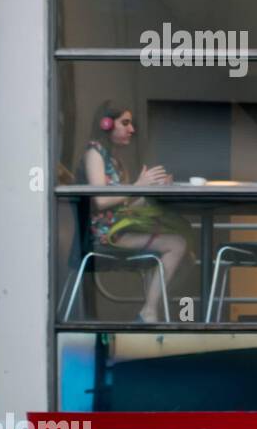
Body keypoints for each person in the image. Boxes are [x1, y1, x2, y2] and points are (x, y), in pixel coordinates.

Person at [80, 101, 191, 322]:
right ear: (106, 124)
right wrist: (138, 185)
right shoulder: (94, 153)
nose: (132, 129)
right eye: (125, 123)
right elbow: (100, 200)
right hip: (105, 234)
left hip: (118, 228)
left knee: (183, 246)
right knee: (176, 244)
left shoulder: (115, 160)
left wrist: (151, 189)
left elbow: (125, 206)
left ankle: (150, 310)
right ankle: (149, 311)